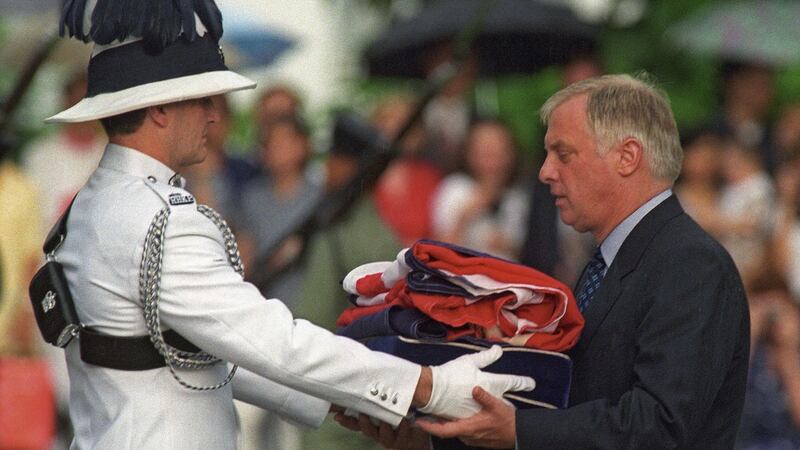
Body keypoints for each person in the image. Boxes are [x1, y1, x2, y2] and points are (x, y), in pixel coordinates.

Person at [39, 3, 534, 448]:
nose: (215, 115)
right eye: (202, 99)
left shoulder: (91, 206)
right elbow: (272, 340)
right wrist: (430, 385)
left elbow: (185, 350)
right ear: (161, 109)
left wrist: (346, 402)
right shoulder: (164, 221)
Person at [343, 74, 751, 449]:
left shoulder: (690, 264)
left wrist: (518, 431)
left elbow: (660, 425)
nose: (544, 172)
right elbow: (571, 410)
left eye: (563, 153)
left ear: (627, 157)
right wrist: (431, 441)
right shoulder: (612, 263)